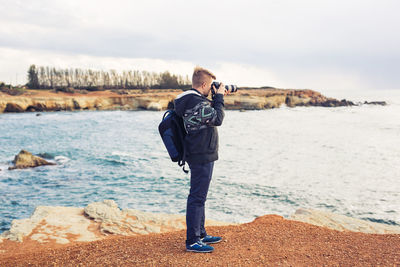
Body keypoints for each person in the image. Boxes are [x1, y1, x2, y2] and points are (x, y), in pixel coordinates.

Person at [174, 66, 227, 253]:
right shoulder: (196, 102)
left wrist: (214, 96)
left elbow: (207, 116)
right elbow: (217, 118)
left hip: (201, 152)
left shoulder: (192, 100)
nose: (212, 88)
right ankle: (193, 240)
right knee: (197, 197)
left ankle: (201, 233)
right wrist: (219, 97)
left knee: (200, 197)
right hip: (201, 154)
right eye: (211, 85)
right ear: (204, 84)